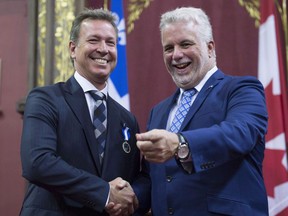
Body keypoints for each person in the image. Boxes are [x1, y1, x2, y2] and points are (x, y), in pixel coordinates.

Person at [135, 7, 269, 215]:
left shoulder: (242, 89)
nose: (176, 55)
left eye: (185, 44)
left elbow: (240, 133)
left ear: (210, 47)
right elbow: (154, 179)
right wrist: (125, 196)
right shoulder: (158, 112)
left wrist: (180, 144)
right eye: (168, 48)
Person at [20, 8, 140, 216]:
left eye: (111, 42)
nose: (103, 49)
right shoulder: (46, 99)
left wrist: (132, 197)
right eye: (94, 40)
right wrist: (104, 193)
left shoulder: (127, 119)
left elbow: (135, 179)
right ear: (73, 49)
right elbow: (37, 163)